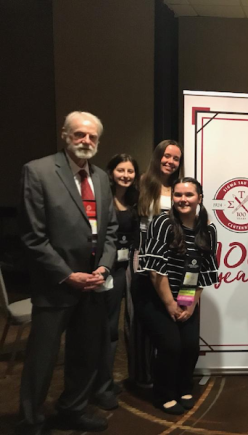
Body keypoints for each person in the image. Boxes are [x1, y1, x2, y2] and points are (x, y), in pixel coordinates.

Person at [18, 111, 118, 435]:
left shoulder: (102, 178)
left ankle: (72, 410)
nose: (86, 141)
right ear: (65, 134)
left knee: (85, 354)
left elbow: (112, 232)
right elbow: (34, 238)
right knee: (41, 360)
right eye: (79, 134)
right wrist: (68, 275)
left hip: (92, 285)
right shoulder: (38, 171)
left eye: (92, 137)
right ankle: (30, 420)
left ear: (99, 142)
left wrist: (103, 267)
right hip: (56, 286)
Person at [135, 177, 218, 414]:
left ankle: (183, 386)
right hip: (153, 294)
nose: (183, 199)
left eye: (189, 195)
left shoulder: (208, 229)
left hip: (186, 294)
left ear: (199, 198)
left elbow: (204, 271)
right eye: (178, 195)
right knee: (171, 345)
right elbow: (154, 272)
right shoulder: (162, 223)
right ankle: (163, 394)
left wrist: (190, 305)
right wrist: (170, 305)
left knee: (190, 345)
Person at [127, 140, 183, 387]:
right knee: (140, 317)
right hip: (143, 257)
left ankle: (166, 372)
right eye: (166, 156)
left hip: (171, 259)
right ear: (158, 156)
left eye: (176, 159)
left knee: (166, 315)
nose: (170, 162)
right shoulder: (141, 184)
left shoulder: (179, 189)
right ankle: (141, 376)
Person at [91, 154, 140, 410]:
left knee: (125, 327)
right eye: (121, 170)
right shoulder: (103, 200)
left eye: (130, 171)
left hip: (128, 271)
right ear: (111, 173)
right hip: (107, 271)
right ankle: (101, 387)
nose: (126, 175)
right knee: (107, 330)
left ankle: (108, 381)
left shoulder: (134, 200)